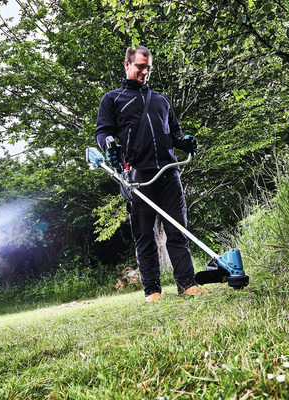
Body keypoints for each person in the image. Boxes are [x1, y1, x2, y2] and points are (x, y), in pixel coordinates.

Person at [95, 45, 207, 302]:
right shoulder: (113, 99)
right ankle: (152, 291)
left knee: (178, 230)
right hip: (137, 176)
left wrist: (185, 141)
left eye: (148, 68)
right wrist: (110, 144)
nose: (145, 72)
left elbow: (175, 134)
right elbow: (102, 132)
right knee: (144, 236)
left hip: (169, 173)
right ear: (127, 65)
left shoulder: (161, 100)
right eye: (140, 67)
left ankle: (187, 285)